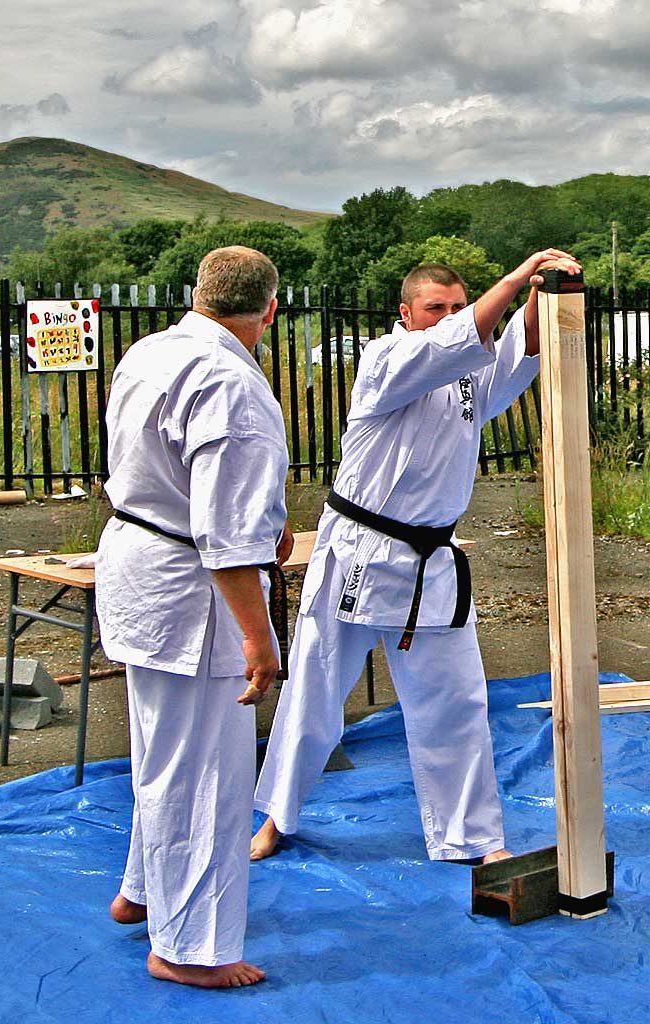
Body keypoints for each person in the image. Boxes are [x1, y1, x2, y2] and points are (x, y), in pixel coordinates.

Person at [251, 248, 582, 865]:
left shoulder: (466, 374)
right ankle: (276, 819)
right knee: (315, 698)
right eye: (437, 308)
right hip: (358, 554)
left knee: (457, 702)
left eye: (458, 307)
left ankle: (474, 839)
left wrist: (542, 288)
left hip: (431, 564)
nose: (452, 317)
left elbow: (520, 350)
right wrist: (510, 280)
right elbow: (460, 340)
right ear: (406, 313)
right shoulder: (385, 359)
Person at [96, 246, 293, 989]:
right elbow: (226, 532)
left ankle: (141, 891)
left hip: (140, 558)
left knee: (161, 748)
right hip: (192, 588)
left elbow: (165, 467)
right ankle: (187, 947)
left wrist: (259, 521)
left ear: (197, 293)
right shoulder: (230, 383)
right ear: (268, 309)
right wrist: (258, 635)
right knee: (207, 769)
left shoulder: (151, 350)